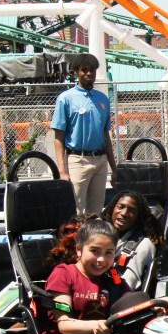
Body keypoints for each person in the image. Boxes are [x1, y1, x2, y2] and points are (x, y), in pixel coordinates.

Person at [43, 218, 168, 334]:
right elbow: (64, 324)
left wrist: (160, 305)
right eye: (95, 251)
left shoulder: (112, 278)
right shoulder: (64, 273)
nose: (101, 260)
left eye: (108, 253)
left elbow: (134, 306)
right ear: (79, 250)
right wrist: (95, 326)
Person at [51, 53, 117, 214]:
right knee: (76, 211)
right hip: (77, 160)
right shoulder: (65, 99)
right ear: (76, 72)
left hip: (100, 161)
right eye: (84, 70)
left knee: (95, 213)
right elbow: (58, 137)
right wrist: (62, 171)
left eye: (92, 70)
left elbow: (105, 135)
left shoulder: (103, 99)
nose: (89, 74)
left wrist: (114, 168)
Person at [101, 189, 166, 290]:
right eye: (120, 207)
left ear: (138, 217)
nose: (124, 213)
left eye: (131, 210)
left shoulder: (144, 245)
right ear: (112, 208)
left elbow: (128, 285)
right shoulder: (98, 234)